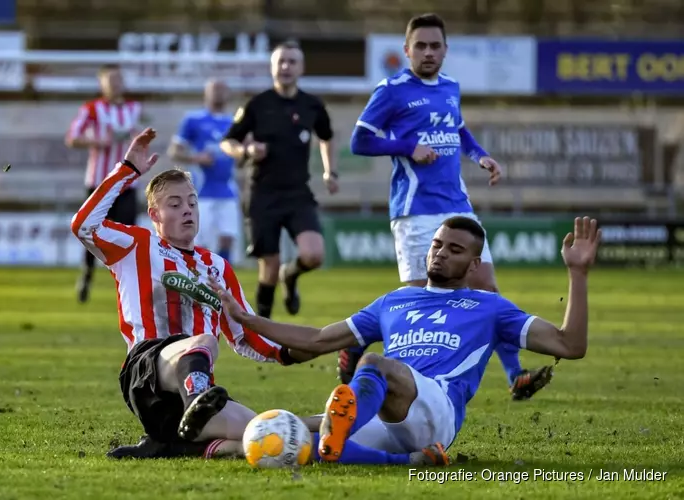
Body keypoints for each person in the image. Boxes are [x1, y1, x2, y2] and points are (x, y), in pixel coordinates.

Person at [210, 215, 601, 465]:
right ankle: (405, 460)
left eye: (455, 249)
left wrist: (578, 275)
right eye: (437, 244)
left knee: (374, 364)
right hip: (386, 414)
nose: (440, 253)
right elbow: (315, 339)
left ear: (474, 264)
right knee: (279, 427)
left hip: (438, 408)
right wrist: (247, 318)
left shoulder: (490, 307)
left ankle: (339, 439)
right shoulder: (393, 302)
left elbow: (570, 345)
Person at [340, 13, 553, 401]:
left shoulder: (450, 87)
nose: (427, 52)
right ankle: (357, 344)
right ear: (406, 50)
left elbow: (458, 130)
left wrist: (481, 156)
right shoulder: (391, 90)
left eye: (434, 46)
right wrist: (407, 146)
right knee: (418, 304)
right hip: (415, 211)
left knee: (486, 289)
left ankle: (514, 375)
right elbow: (359, 141)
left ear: (445, 51)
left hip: (458, 207)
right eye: (419, 45)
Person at [70, 128, 310, 459]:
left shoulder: (218, 267)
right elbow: (83, 225)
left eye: (192, 202)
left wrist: (296, 351)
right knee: (204, 342)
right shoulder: (137, 245)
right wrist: (127, 169)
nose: (188, 210)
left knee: (268, 434)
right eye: (175, 203)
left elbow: (246, 336)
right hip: (148, 372)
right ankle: (195, 404)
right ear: (154, 215)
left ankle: (171, 445)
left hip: (199, 395)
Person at [220, 40, 339, 319]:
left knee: (313, 255)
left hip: (298, 193)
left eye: (292, 61)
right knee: (268, 266)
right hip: (264, 194)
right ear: (272, 67)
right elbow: (228, 141)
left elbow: (327, 136)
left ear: (301, 67)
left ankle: (292, 274)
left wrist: (329, 171)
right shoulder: (258, 104)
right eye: (281, 61)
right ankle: (263, 328)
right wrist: (246, 150)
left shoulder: (312, 105)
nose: (286, 67)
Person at [66, 64, 145, 304]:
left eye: (118, 79)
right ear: (102, 84)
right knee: (89, 231)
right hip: (99, 183)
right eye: (109, 80)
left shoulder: (134, 108)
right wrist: (98, 141)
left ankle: (128, 285)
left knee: (128, 234)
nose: (114, 84)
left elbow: (141, 134)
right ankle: (87, 275)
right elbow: (72, 138)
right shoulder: (92, 109)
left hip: (126, 184)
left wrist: (140, 139)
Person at [168, 79, 240, 261]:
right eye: (214, 89)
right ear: (205, 93)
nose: (218, 93)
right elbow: (174, 151)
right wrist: (197, 158)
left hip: (227, 189)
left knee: (227, 237)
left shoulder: (234, 122)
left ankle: (223, 280)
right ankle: (200, 280)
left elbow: (241, 152)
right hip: (202, 189)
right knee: (202, 240)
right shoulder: (193, 119)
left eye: (222, 89)